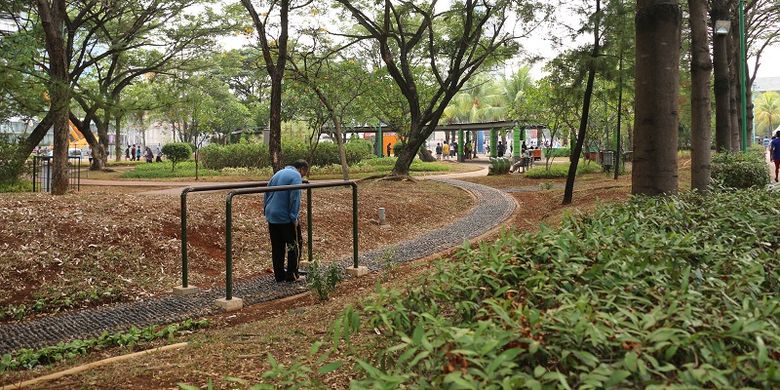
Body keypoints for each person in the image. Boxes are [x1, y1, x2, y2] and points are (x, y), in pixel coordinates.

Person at [265, 160, 309, 283]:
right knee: (294, 244)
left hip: (272, 214)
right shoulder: (295, 176)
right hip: (285, 216)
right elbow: (295, 197)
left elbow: (267, 191)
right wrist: (294, 217)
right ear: (301, 169)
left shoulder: (278, 173)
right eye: (304, 173)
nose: (303, 176)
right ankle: (292, 274)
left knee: (277, 246)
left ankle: (279, 275)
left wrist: (266, 210)